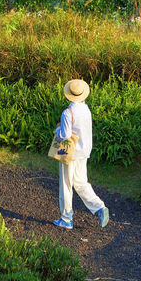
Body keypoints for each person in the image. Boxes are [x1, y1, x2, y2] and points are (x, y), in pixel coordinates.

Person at [52, 78, 109, 230]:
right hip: (84, 152)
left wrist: (57, 130)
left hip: (70, 153)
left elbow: (64, 136)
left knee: (66, 185)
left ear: (68, 95)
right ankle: (99, 207)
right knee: (81, 182)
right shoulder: (86, 110)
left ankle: (66, 219)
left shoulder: (67, 113)